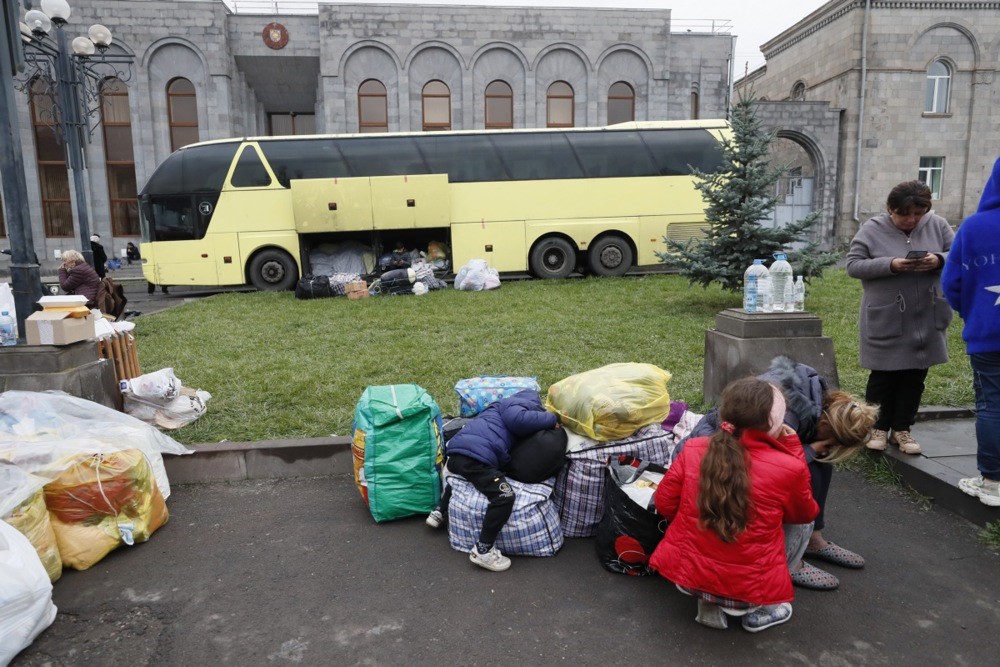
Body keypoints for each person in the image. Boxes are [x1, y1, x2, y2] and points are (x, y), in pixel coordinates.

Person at [681, 357, 879, 590]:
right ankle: (787, 561)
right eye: (831, 442)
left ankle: (814, 540)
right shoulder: (786, 416)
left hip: (736, 448)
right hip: (724, 453)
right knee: (803, 472)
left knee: (820, 461)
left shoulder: (813, 396)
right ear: (826, 424)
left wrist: (813, 450)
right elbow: (762, 461)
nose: (830, 446)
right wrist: (807, 451)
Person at [650, 378, 819, 633]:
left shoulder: (694, 448)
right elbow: (803, 513)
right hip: (749, 591)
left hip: (688, 576)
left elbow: (663, 504)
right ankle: (761, 612)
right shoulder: (789, 468)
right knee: (806, 521)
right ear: (774, 424)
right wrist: (794, 449)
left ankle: (708, 601)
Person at [846, 180, 954, 455]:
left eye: (918, 214)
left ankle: (902, 431)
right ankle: (878, 428)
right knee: (883, 377)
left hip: (926, 316)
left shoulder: (938, 225)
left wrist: (938, 260)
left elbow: (957, 255)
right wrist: (891, 264)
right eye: (905, 214)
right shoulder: (871, 229)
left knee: (915, 377)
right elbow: (854, 265)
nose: (912, 220)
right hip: (888, 317)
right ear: (890, 209)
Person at [425, 389, 559, 572]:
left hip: (456, 454)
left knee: (461, 477)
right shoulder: (515, 406)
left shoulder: (494, 407)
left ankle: (440, 512)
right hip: (476, 458)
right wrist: (553, 418)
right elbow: (519, 421)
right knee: (504, 496)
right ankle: (484, 549)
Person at [942, 157, 1000, 507]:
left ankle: (993, 481)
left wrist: (971, 312)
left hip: (988, 332)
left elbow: (952, 282)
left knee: (992, 403)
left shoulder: (975, 227)